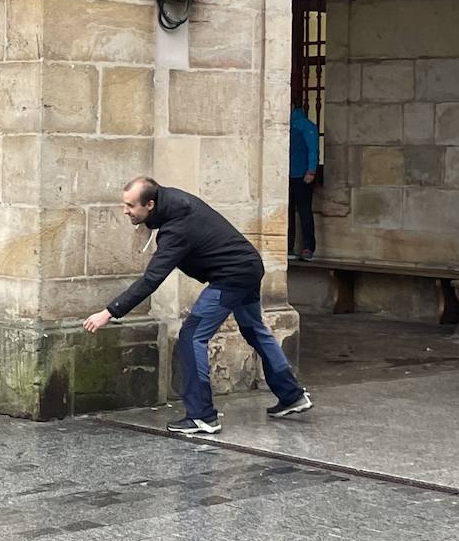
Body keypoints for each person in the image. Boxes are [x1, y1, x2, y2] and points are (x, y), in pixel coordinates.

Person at [83, 176, 313, 435]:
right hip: (247, 267)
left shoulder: (177, 228)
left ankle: (203, 416)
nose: (125, 210)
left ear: (149, 204)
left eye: (130, 206)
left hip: (232, 277)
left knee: (192, 336)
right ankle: (291, 395)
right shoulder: (170, 203)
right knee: (253, 328)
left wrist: (109, 312)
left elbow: (151, 280)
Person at [289, 105, 319, 260]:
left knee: (304, 211)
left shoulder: (305, 125)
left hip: (302, 175)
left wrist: (311, 170)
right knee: (287, 213)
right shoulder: (283, 124)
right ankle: (288, 246)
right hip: (286, 175)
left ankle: (308, 247)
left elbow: (313, 148)